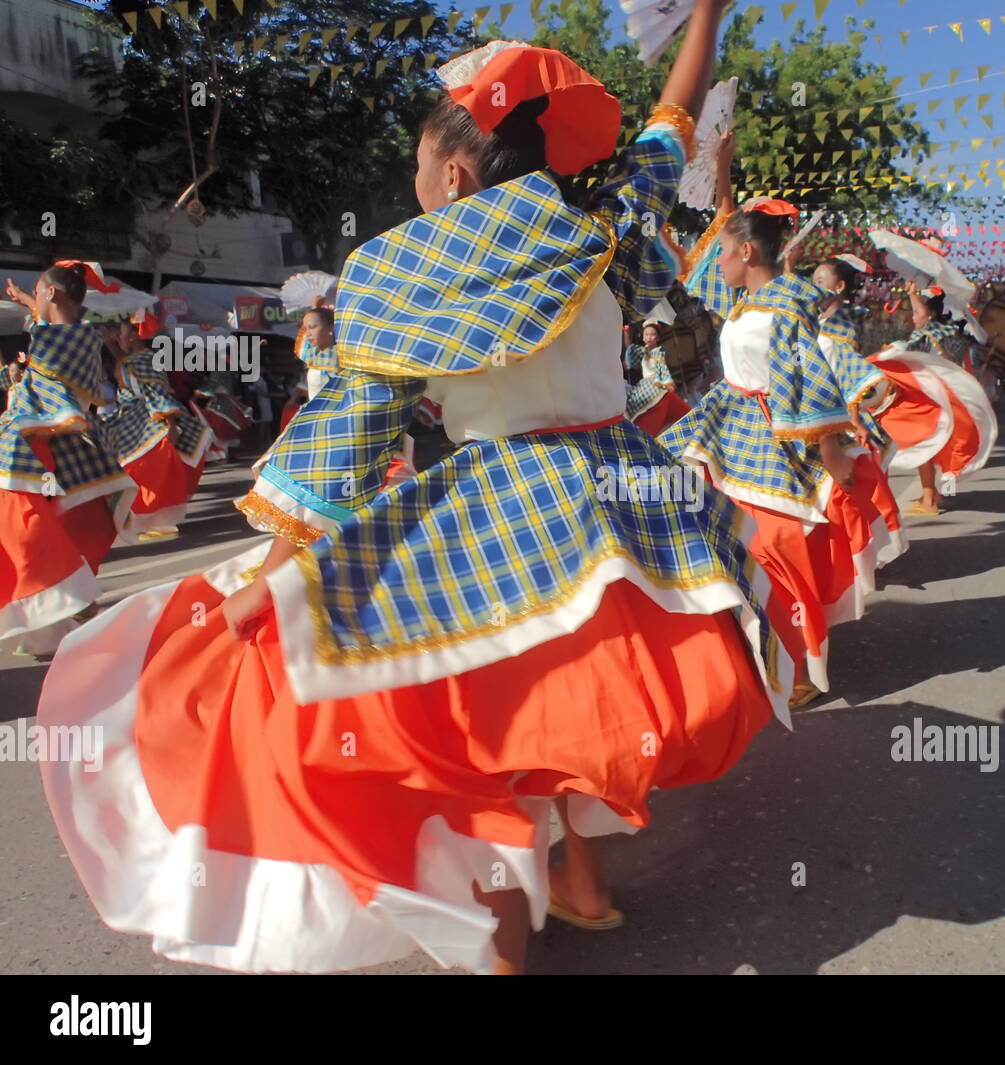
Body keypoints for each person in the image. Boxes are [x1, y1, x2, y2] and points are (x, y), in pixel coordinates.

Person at [39, 9, 792, 977]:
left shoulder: (400, 266)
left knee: (477, 748)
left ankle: (509, 951)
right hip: (635, 514)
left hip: (500, 518)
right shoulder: (604, 219)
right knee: (574, 719)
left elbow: (344, 443)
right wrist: (709, 14)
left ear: (455, 175)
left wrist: (271, 577)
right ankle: (584, 885)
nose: (413, 184)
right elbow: (673, 120)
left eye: (416, 164)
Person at [662, 196, 880, 709]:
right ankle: (752, 644)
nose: (718, 261)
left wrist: (829, 448)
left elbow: (809, 377)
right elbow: (693, 269)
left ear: (749, 251)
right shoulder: (743, 302)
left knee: (776, 549)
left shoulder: (785, 306)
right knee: (730, 540)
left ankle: (800, 661)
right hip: (726, 431)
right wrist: (719, 178)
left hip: (770, 438)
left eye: (725, 253)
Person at [0, 263, 134, 655]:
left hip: (35, 447)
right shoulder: (73, 335)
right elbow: (44, 330)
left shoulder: (64, 339)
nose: (34, 300)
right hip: (49, 448)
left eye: (38, 292)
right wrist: (29, 299)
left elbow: (48, 374)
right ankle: (55, 620)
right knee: (53, 529)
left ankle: (70, 603)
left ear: (53, 294)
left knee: (26, 530)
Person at [848, 280, 998, 517]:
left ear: (930, 313)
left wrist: (883, 353)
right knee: (938, 444)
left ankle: (930, 500)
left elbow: (901, 349)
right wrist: (912, 294)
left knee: (922, 444)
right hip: (949, 392)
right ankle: (936, 493)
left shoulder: (924, 334)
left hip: (929, 395)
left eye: (917, 311)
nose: (913, 316)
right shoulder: (951, 330)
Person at [811, 256, 908, 566]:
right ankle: (848, 557)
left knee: (851, 493)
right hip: (822, 414)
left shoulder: (843, 323)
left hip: (842, 417)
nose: (813, 287)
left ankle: (859, 557)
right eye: (812, 280)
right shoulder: (823, 321)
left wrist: (852, 419)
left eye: (820, 281)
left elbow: (848, 373)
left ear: (839, 287)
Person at [98, 318, 211, 541]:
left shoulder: (145, 359)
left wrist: (170, 425)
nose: (116, 335)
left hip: (150, 419)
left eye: (120, 332)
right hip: (134, 419)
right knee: (132, 471)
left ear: (132, 335)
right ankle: (145, 520)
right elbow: (124, 365)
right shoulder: (136, 358)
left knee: (145, 471)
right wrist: (110, 344)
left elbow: (156, 392)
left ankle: (160, 521)